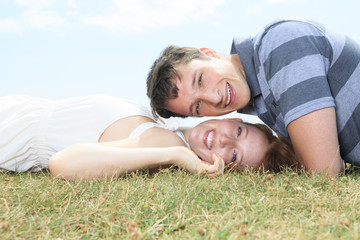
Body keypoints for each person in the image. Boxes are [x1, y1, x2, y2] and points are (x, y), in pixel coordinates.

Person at [147, 19, 360, 176]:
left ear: (209, 53)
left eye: (200, 79)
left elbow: (324, 173)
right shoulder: (263, 101)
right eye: (198, 108)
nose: (214, 98)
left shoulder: (277, 46)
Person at [0, 94, 297, 180]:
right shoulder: (170, 127)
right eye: (238, 132)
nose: (223, 141)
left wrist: (176, 156)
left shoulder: (169, 145)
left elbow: (63, 163)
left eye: (234, 155)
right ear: (232, 118)